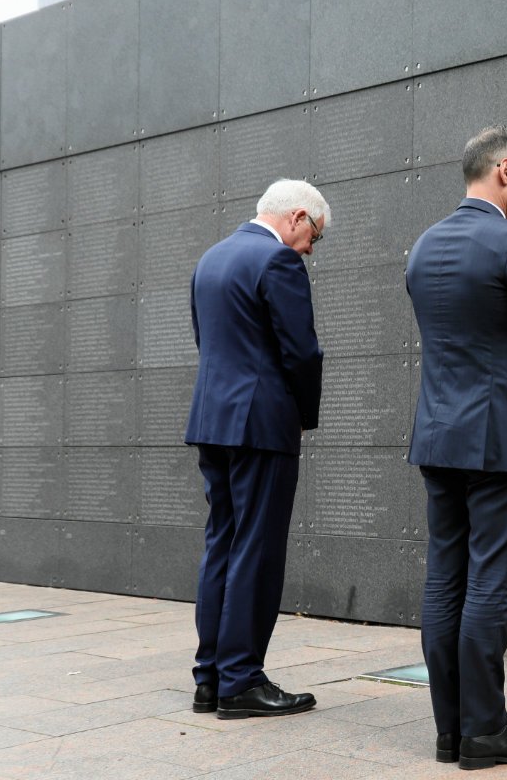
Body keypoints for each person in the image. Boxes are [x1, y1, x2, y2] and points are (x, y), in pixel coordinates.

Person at [406, 126, 507, 769]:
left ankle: (450, 731)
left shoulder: (423, 247)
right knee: (490, 584)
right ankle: (484, 731)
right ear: (504, 170)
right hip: (497, 436)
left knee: (445, 579)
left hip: (437, 434)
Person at [185, 179, 329, 720]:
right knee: (257, 547)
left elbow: (207, 342)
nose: (310, 248)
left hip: (213, 419)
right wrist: (304, 415)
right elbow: (302, 352)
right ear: (297, 217)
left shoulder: (211, 259)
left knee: (222, 542)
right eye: (314, 235)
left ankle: (210, 677)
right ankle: (242, 679)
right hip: (261, 423)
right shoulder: (277, 261)